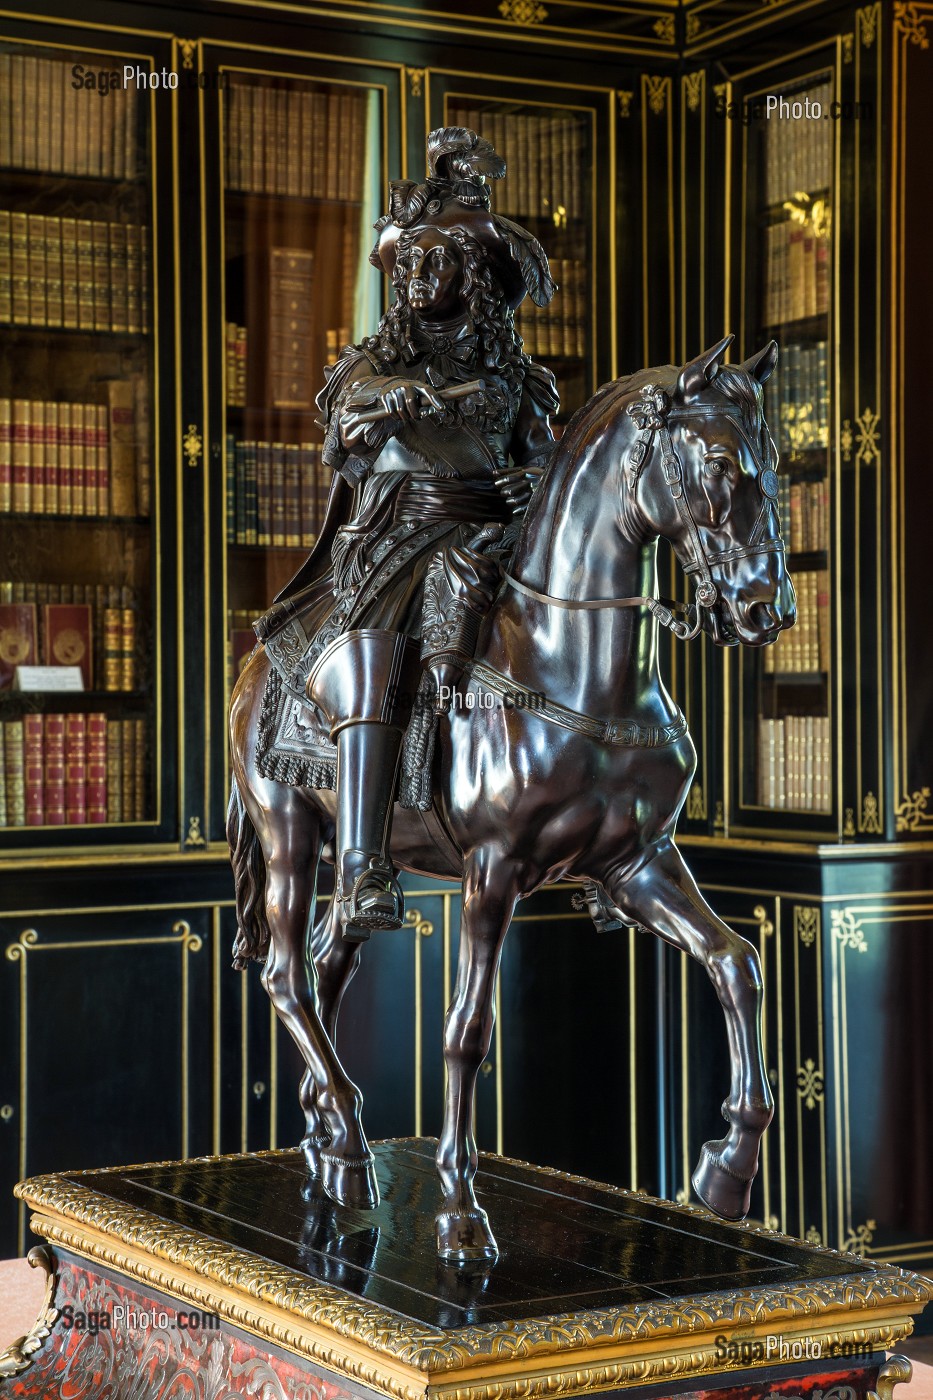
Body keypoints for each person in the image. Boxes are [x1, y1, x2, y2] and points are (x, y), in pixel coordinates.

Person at [255, 127, 559, 940]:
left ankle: (595, 813)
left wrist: (527, 482)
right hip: (396, 537)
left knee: (585, 619)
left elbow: (551, 468)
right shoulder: (369, 365)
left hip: (497, 534)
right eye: (409, 264)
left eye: (440, 262)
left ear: (478, 277)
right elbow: (341, 431)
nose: (419, 278)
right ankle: (361, 865)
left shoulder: (516, 380)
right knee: (376, 644)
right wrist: (389, 404)